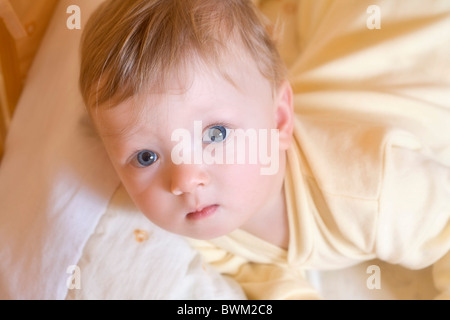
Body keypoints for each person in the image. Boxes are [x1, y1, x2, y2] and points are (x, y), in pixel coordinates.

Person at [79, 0, 450, 299]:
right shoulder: (197, 223)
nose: (186, 180)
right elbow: (253, 270)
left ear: (279, 120)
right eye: (146, 157)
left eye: (216, 134)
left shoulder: (370, 188)